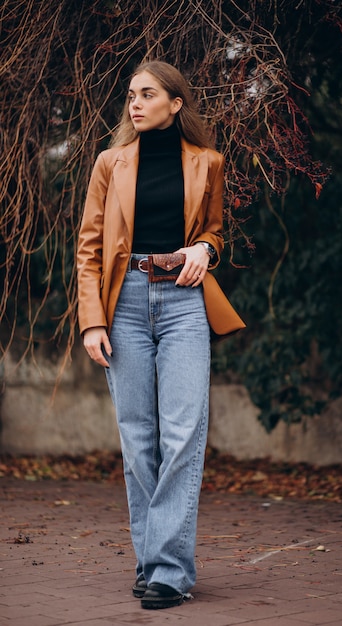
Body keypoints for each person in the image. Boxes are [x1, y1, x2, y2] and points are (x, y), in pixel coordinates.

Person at [77, 60, 245, 610]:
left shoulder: (208, 162)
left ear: (176, 103)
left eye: (147, 94)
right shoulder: (110, 163)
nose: (134, 103)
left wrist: (204, 250)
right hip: (121, 304)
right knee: (138, 439)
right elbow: (90, 249)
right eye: (130, 95)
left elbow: (217, 234)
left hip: (184, 303)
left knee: (183, 432)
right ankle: (153, 562)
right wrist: (91, 320)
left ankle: (168, 570)